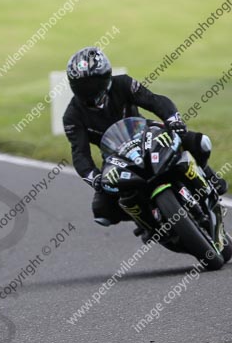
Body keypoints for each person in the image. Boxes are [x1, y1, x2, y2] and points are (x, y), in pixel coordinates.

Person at [62, 46, 227, 231]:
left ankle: (206, 174)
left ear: (106, 76)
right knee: (102, 210)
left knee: (199, 143)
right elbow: (79, 153)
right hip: (115, 156)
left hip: (148, 134)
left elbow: (154, 101)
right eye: (82, 85)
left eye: (93, 83)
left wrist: (173, 120)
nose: (89, 90)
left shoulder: (123, 83)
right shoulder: (71, 116)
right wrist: (94, 177)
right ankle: (145, 221)